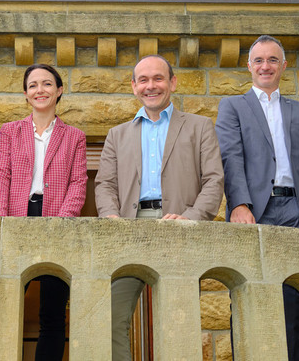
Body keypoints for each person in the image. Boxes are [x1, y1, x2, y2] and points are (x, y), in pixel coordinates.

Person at [94, 54, 224, 361]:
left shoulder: (200, 126)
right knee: (111, 319)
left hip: (178, 228)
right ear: (134, 86)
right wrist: (111, 217)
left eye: (158, 78)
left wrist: (189, 218)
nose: (150, 86)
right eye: (143, 80)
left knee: (179, 322)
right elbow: (104, 185)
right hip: (129, 230)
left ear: (172, 83)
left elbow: (214, 181)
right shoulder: (117, 134)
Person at [215, 34, 299, 361]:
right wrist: (239, 203)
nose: (265, 66)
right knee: (249, 293)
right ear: (249, 66)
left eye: (272, 60)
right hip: (253, 212)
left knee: (293, 301)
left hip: (296, 211)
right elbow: (230, 157)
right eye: (258, 60)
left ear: (283, 65)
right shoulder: (232, 107)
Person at [0, 63, 88, 360]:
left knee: (53, 311)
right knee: (5, 306)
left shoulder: (75, 137)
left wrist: (63, 220)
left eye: (47, 84)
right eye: (33, 85)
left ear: (58, 91)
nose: (39, 90)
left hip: (56, 221)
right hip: (17, 218)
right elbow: (0, 176)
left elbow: (78, 182)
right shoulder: (9, 132)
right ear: (25, 94)